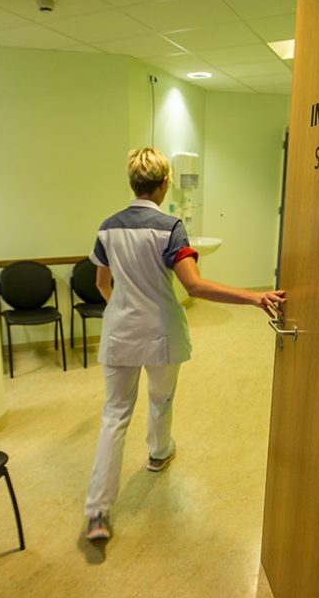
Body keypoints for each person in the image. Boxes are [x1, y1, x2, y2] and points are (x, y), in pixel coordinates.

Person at [84, 147, 286, 541]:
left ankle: (97, 514)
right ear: (164, 183)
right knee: (161, 399)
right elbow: (194, 285)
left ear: (132, 183)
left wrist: (123, 311)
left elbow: (101, 285)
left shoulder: (107, 227)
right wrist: (253, 296)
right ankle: (159, 453)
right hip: (159, 332)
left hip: (120, 333)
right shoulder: (170, 226)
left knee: (114, 416)